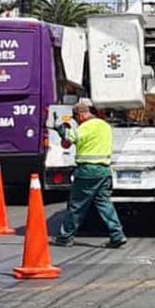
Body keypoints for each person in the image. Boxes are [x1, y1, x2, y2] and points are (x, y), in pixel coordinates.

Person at [53, 98, 127, 249]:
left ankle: (65, 237)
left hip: (87, 172)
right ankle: (117, 235)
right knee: (105, 205)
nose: (77, 122)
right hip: (104, 171)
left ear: (80, 115)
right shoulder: (105, 126)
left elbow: (69, 138)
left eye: (76, 119)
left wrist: (60, 129)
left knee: (77, 206)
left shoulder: (86, 127)